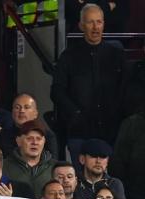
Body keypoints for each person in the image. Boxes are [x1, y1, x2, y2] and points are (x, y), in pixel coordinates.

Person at [51, 3, 125, 160]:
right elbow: (57, 91)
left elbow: (124, 90)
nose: (95, 27)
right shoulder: (69, 56)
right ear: (81, 25)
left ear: (104, 24)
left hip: (110, 132)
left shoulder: (116, 55)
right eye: (90, 22)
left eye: (99, 22)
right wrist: (75, 114)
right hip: (80, 133)